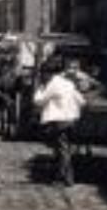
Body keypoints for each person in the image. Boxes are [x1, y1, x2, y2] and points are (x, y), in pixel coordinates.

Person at [33, 56, 86, 186]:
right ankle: (69, 179)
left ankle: (62, 178)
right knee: (65, 149)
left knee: (61, 151)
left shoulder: (52, 84)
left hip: (59, 122)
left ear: (48, 73)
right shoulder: (68, 83)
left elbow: (38, 101)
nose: (43, 77)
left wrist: (40, 89)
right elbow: (82, 101)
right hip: (71, 120)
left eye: (43, 74)